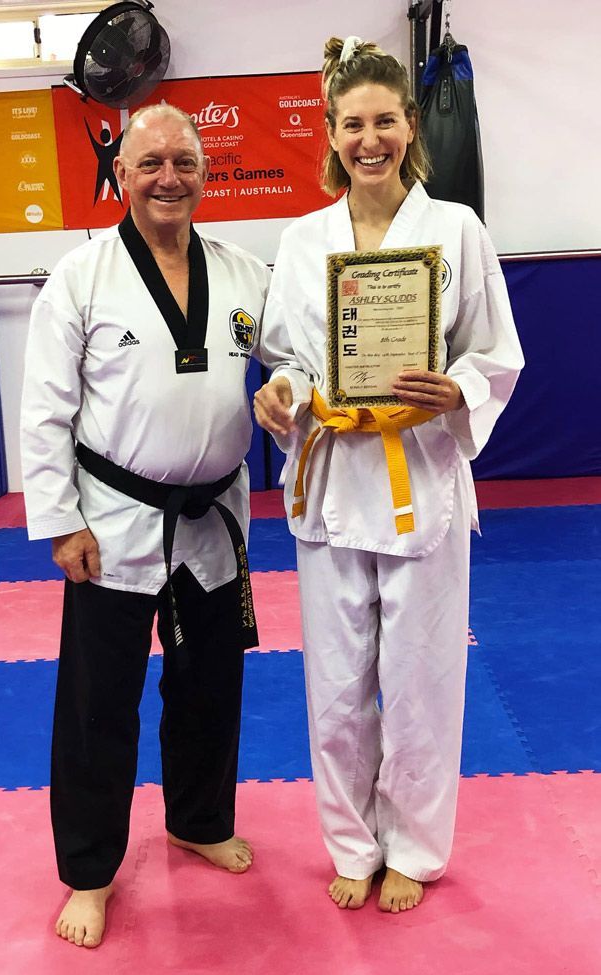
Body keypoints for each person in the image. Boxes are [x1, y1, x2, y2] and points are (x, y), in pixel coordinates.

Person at [254, 36, 524, 914]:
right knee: (334, 690)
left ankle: (412, 845)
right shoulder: (299, 242)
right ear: (329, 136)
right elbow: (285, 360)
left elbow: (496, 354)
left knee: (420, 680)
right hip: (331, 482)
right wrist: (281, 396)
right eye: (350, 124)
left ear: (412, 126)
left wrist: (457, 388)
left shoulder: (454, 229)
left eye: (384, 121)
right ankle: (350, 842)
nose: (368, 139)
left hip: (422, 478)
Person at [21, 104, 276, 948]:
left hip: (214, 515)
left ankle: (197, 820)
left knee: (208, 688)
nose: (170, 176)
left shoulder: (243, 272)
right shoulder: (82, 276)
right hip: (114, 519)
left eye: (185, 161)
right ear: (121, 176)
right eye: (151, 162)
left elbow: (294, 361)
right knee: (100, 706)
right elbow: (45, 411)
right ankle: (89, 873)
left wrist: (293, 391)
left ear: (206, 174)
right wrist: (61, 522)